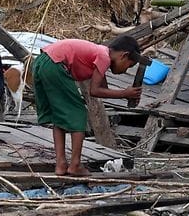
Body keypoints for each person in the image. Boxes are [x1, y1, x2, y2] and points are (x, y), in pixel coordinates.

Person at [33, 35, 143, 176]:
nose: (126, 70)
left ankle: (61, 164)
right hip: (55, 64)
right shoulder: (104, 57)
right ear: (124, 55)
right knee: (79, 113)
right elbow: (94, 91)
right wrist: (124, 93)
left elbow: (103, 89)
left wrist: (126, 95)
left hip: (43, 61)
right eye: (129, 65)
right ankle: (75, 165)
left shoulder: (101, 53)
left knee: (58, 116)